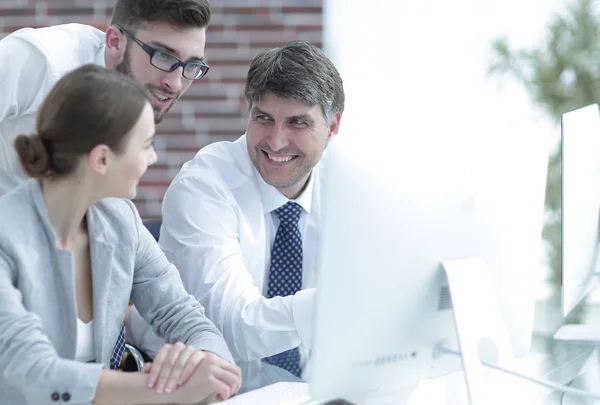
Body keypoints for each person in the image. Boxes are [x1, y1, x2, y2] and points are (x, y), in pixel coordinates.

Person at [0, 64, 241, 405]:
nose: (153, 158)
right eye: (145, 145)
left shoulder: (120, 219)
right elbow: (36, 373)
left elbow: (184, 315)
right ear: (101, 158)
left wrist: (206, 362)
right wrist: (172, 392)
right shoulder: (6, 236)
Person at [127, 40, 345, 378]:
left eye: (297, 123)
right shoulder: (204, 185)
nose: (275, 141)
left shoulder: (349, 189)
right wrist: (346, 302)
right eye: (264, 118)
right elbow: (232, 328)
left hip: (303, 389)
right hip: (189, 388)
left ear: (332, 127)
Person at [0, 0, 211, 195]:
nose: (175, 84)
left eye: (192, 65)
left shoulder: (137, 98)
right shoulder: (40, 59)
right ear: (114, 42)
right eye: (164, 56)